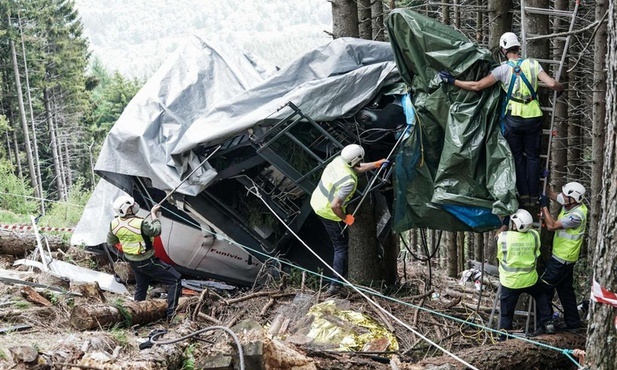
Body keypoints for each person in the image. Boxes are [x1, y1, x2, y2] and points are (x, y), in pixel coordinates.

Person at [439, 32, 564, 208]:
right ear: (518, 47)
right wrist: (560, 87)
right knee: (534, 158)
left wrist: (453, 81)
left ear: (504, 50)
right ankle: (535, 194)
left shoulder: (502, 70)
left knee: (517, 157)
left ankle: (525, 195)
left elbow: (477, 86)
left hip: (514, 119)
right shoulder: (532, 64)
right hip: (534, 117)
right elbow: (551, 84)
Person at [310, 144, 388, 296]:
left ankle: (338, 281)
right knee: (340, 247)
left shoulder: (339, 160)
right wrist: (346, 218)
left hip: (317, 200)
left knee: (340, 246)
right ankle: (335, 285)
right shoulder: (349, 182)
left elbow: (355, 168)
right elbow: (335, 205)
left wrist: (375, 164)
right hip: (327, 210)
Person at [107, 196, 182, 322]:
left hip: (133, 261)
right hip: (147, 260)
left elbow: (111, 241)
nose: (135, 205)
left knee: (141, 287)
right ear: (128, 209)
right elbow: (156, 231)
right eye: (132, 205)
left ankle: (135, 315)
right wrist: (154, 215)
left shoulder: (114, 223)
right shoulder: (140, 223)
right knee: (175, 280)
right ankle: (171, 316)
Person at [495, 209, 553, 339]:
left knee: (506, 314)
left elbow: (497, 245)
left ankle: (504, 338)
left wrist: (504, 224)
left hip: (510, 282)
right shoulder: (534, 235)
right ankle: (548, 322)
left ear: (514, 224)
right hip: (530, 280)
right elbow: (537, 253)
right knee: (541, 295)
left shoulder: (504, 238)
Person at [539, 181, 588, 332]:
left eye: (566, 195)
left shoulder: (576, 216)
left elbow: (552, 226)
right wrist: (543, 182)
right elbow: (553, 195)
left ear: (572, 199)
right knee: (565, 291)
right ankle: (573, 323)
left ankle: (546, 324)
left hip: (562, 259)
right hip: (565, 258)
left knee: (542, 289)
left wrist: (545, 207)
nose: (562, 196)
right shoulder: (570, 203)